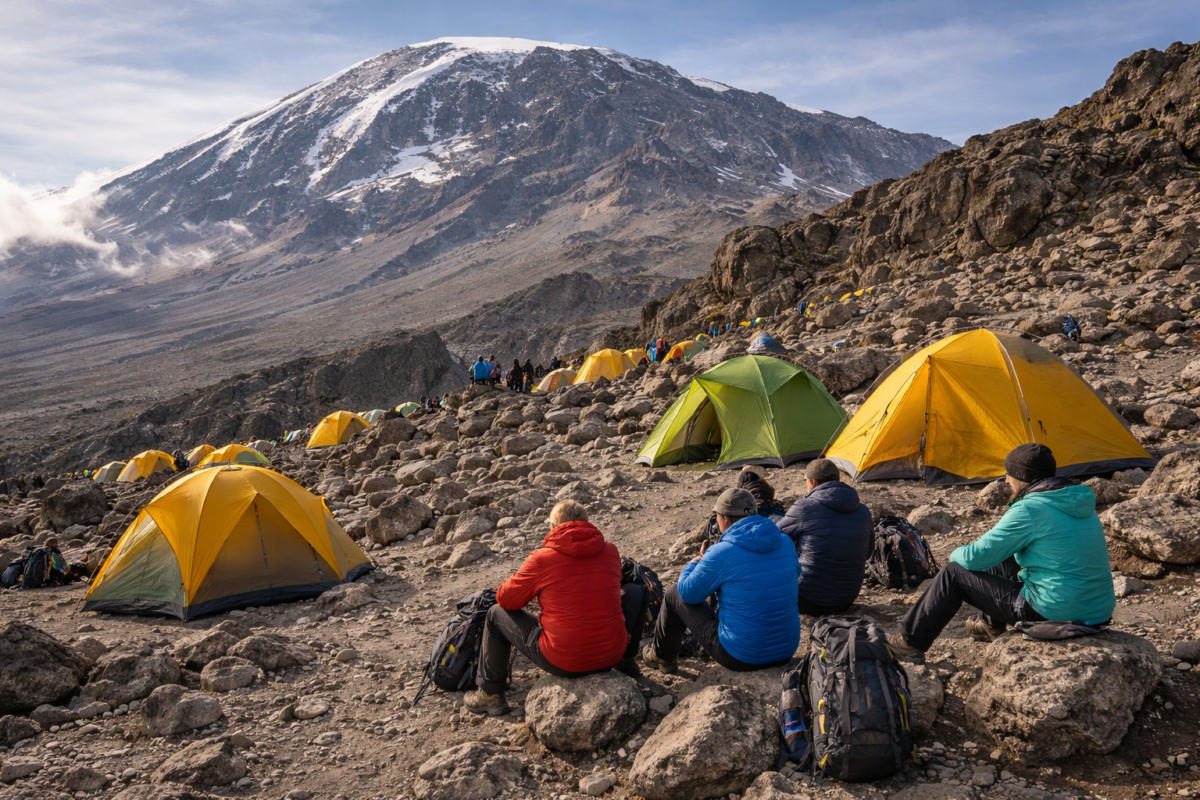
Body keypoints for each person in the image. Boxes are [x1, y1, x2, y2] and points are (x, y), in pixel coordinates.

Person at [888, 444, 1116, 661]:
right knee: (1005, 554)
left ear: (1023, 476)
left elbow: (974, 558)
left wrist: (955, 553)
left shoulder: (1030, 509)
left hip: (1052, 612)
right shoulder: (1076, 502)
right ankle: (989, 624)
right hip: (1098, 610)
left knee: (953, 574)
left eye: (1009, 474)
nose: (1006, 480)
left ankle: (908, 643)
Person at [465, 500, 648, 716]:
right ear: (587, 524)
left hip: (565, 660)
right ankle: (628, 661)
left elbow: (505, 600)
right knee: (636, 591)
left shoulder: (541, 559)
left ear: (554, 528)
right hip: (612, 654)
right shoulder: (610, 551)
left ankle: (490, 694)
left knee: (495, 614)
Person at [642, 488, 800, 674]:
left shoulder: (721, 552)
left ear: (724, 518)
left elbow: (688, 594)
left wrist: (695, 563)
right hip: (785, 650)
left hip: (741, 656)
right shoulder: (785, 542)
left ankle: (663, 656)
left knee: (674, 593)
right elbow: (794, 575)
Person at [778, 459, 873, 617]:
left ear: (813, 482)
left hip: (807, 600)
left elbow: (773, 539)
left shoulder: (804, 507)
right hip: (846, 599)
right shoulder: (863, 511)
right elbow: (868, 552)